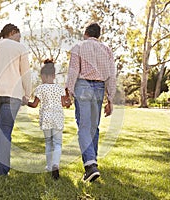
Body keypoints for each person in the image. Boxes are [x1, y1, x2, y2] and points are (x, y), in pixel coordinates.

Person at [65, 22, 116, 182]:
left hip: (83, 85)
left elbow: (73, 70)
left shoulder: (79, 46)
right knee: (94, 127)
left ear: (86, 32)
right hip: (99, 87)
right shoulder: (106, 49)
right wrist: (111, 99)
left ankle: (90, 165)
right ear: (98, 35)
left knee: (85, 127)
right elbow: (111, 75)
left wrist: (68, 92)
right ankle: (93, 163)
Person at [0, 23, 32, 176]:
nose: (19, 39)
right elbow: (26, 74)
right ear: (12, 32)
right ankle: (1, 171)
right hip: (12, 94)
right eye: (19, 35)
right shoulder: (20, 48)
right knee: (5, 130)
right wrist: (27, 94)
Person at [25, 59, 70, 180]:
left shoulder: (40, 88)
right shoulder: (59, 88)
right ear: (54, 75)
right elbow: (64, 104)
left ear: (43, 76)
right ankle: (56, 164)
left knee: (48, 143)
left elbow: (34, 105)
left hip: (46, 119)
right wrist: (68, 100)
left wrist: (25, 102)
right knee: (57, 143)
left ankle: (49, 166)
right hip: (57, 118)